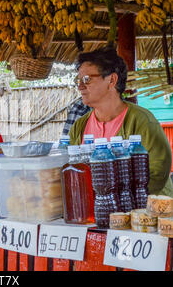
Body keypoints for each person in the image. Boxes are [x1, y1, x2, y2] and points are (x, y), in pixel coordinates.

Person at [68, 46, 173, 197]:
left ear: (112, 80)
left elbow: (158, 172)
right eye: (78, 80)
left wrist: (122, 202)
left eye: (87, 79)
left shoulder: (142, 121)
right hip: (97, 213)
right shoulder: (79, 126)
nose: (80, 86)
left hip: (148, 213)